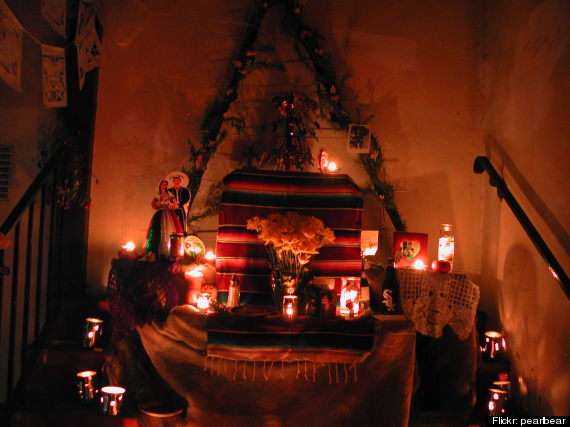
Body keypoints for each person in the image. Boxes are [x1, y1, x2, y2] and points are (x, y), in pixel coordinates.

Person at [145, 180, 184, 257]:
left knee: (170, 229)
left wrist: (171, 205)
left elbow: (175, 203)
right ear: (160, 185)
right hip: (160, 213)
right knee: (158, 230)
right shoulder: (157, 195)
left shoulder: (169, 194)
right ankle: (155, 250)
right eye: (162, 184)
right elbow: (154, 205)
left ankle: (171, 251)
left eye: (165, 185)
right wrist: (158, 204)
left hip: (168, 213)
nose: (164, 186)